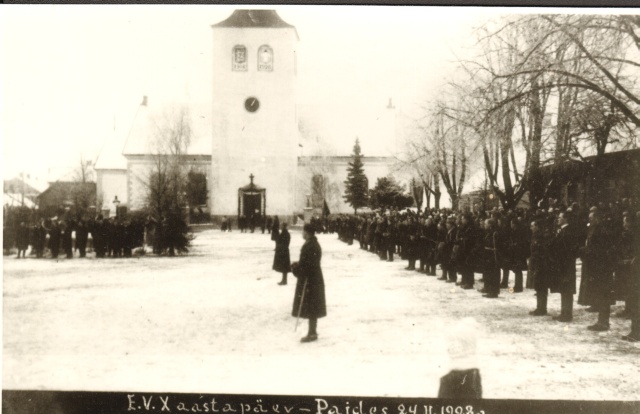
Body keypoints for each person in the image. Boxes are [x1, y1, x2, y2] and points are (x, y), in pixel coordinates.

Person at [578, 209, 615, 331]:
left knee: (603, 293)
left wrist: (585, 251)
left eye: (591, 218)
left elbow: (599, 249)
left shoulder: (601, 230)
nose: (589, 220)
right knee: (600, 293)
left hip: (601, 267)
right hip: (597, 265)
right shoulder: (595, 229)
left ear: (597, 218)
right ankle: (602, 321)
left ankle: (603, 322)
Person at [291, 223, 326, 343]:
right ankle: (312, 331)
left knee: (312, 306)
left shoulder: (311, 245)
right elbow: (307, 262)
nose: (302, 233)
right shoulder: (311, 244)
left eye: (303, 231)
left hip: (311, 280)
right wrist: (299, 264)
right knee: (311, 305)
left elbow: (310, 265)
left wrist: (297, 269)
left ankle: (312, 333)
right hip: (312, 278)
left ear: (307, 233)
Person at [548, 211, 579, 322]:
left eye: (560, 217)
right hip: (562, 264)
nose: (558, 219)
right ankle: (564, 312)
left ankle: (567, 314)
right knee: (564, 289)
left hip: (566, 265)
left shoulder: (568, 232)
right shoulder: (562, 231)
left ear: (566, 219)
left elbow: (568, 249)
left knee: (567, 289)